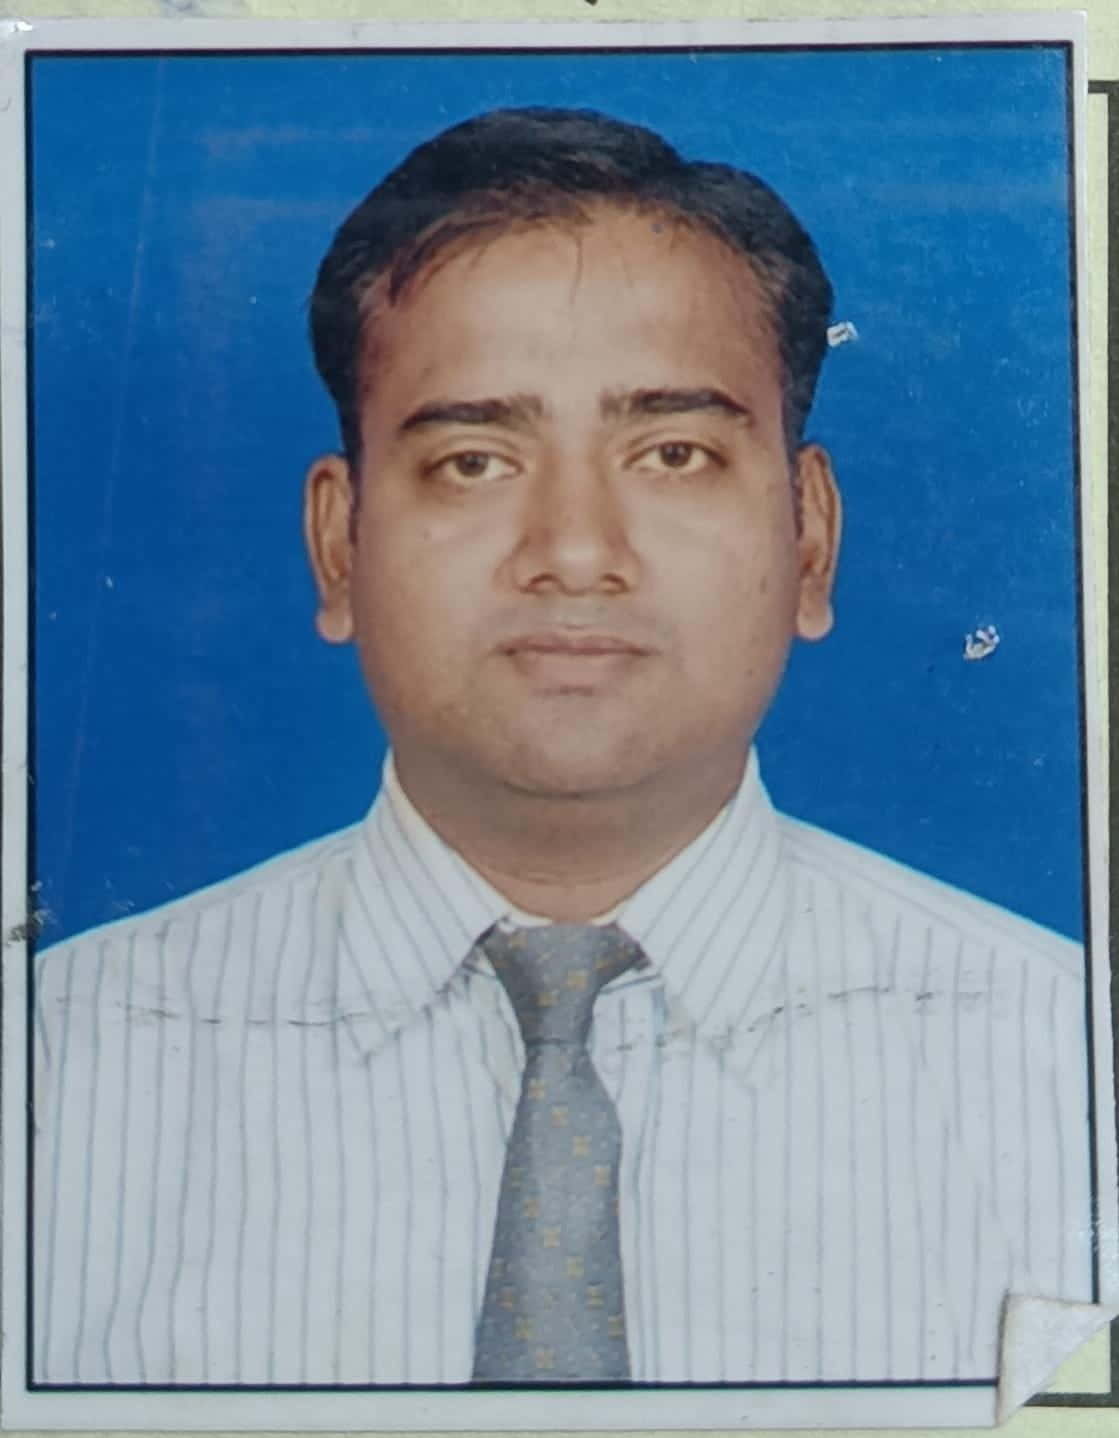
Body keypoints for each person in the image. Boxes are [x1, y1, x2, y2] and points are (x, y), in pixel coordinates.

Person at [32, 106, 1091, 1389]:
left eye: (674, 453)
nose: (577, 552)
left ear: (809, 535)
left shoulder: (1068, 1067)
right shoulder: (55, 1073)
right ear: (337, 543)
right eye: (475, 461)